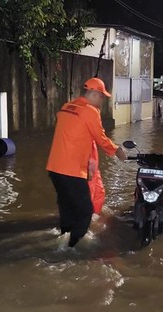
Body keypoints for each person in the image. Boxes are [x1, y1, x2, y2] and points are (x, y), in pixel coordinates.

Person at [46, 77, 127, 248]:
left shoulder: (67, 107)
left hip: (54, 168)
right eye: (102, 96)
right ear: (95, 94)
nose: (102, 100)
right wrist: (117, 150)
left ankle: (64, 235)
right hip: (72, 171)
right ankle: (71, 247)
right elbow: (101, 138)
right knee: (85, 212)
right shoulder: (90, 111)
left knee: (66, 206)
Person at [88, 140, 105, 216]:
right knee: (88, 196)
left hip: (94, 169)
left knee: (100, 193)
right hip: (87, 169)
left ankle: (94, 215)